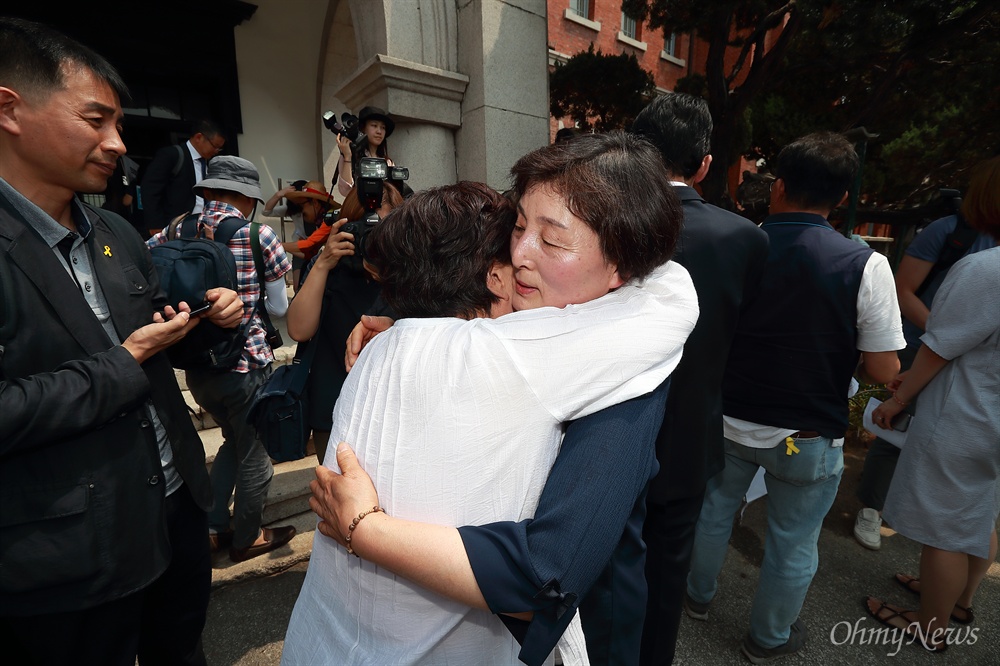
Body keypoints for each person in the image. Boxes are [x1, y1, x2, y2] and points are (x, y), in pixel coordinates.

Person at [283, 133, 700, 665]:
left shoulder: (626, 364)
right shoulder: (487, 341)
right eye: (519, 226)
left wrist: (365, 528)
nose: (519, 254)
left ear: (623, 267)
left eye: (552, 240)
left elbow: (545, 573)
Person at [0, 17, 244, 666]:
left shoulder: (117, 232)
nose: (117, 145)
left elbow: (159, 349)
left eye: (118, 126)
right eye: (95, 120)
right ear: (10, 111)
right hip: (66, 558)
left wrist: (210, 324)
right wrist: (125, 360)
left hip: (174, 513)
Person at [684, 132, 905, 663]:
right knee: (793, 540)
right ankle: (767, 640)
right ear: (842, 197)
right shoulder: (865, 265)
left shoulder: (737, 242)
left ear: (779, 186)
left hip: (726, 418)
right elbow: (882, 366)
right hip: (806, 433)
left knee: (713, 512)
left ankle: (694, 599)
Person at [630, 93, 769, 665]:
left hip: (592, 424)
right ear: (706, 163)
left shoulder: (599, 221)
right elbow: (743, 337)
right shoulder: (745, 239)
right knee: (666, 580)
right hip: (688, 433)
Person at [864, 155, 1000, 653]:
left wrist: (898, 399)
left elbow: (941, 346)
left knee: (943, 525)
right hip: (994, 414)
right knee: (979, 510)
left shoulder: (985, 269)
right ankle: (957, 601)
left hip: (967, 411)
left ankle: (930, 624)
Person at [147, 155, 295, 563]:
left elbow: (141, 267)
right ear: (247, 199)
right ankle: (248, 537)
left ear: (208, 191)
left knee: (232, 440)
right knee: (255, 453)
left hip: (196, 364)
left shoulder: (176, 228)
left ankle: (212, 527)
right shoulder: (258, 235)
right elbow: (280, 309)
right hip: (245, 364)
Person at [853, 175, 996, 551]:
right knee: (895, 428)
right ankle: (872, 506)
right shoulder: (950, 232)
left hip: (959, 359)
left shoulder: (985, 264)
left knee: (950, 525)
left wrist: (956, 335)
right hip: (927, 346)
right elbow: (903, 291)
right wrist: (951, 333)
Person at [285, 180, 404, 465]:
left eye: (385, 230)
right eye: (367, 228)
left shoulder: (406, 272)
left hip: (392, 412)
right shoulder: (330, 266)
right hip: (334, 408)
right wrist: (323, 263)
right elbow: (299, 330)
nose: (375, 240)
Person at [140, 118, 225, 235]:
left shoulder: (209, 164)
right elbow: (150, 189)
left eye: (219, 148)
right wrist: (154, 224)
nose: (216, 151)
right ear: (199, 137)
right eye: (214, 146)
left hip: (201, 228)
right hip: (172, 227)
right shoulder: (172, 155)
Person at [264, 179, 332, 290]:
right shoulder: (317, 215)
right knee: (299, 287)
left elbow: (309, 244)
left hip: (313, 254)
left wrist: (275, 245)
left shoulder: (328, 220)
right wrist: (278, 194)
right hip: (305, 252)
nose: (301, 209)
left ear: (314, 203)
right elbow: (310, 252)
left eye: (302, 204)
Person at [335, 106, 393, 197]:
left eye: (383, 127)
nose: (379, 131)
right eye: (374, 125)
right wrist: (347, 156)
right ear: (362, 129)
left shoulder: (387, 162)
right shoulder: (351, 156)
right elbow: (345, 191)